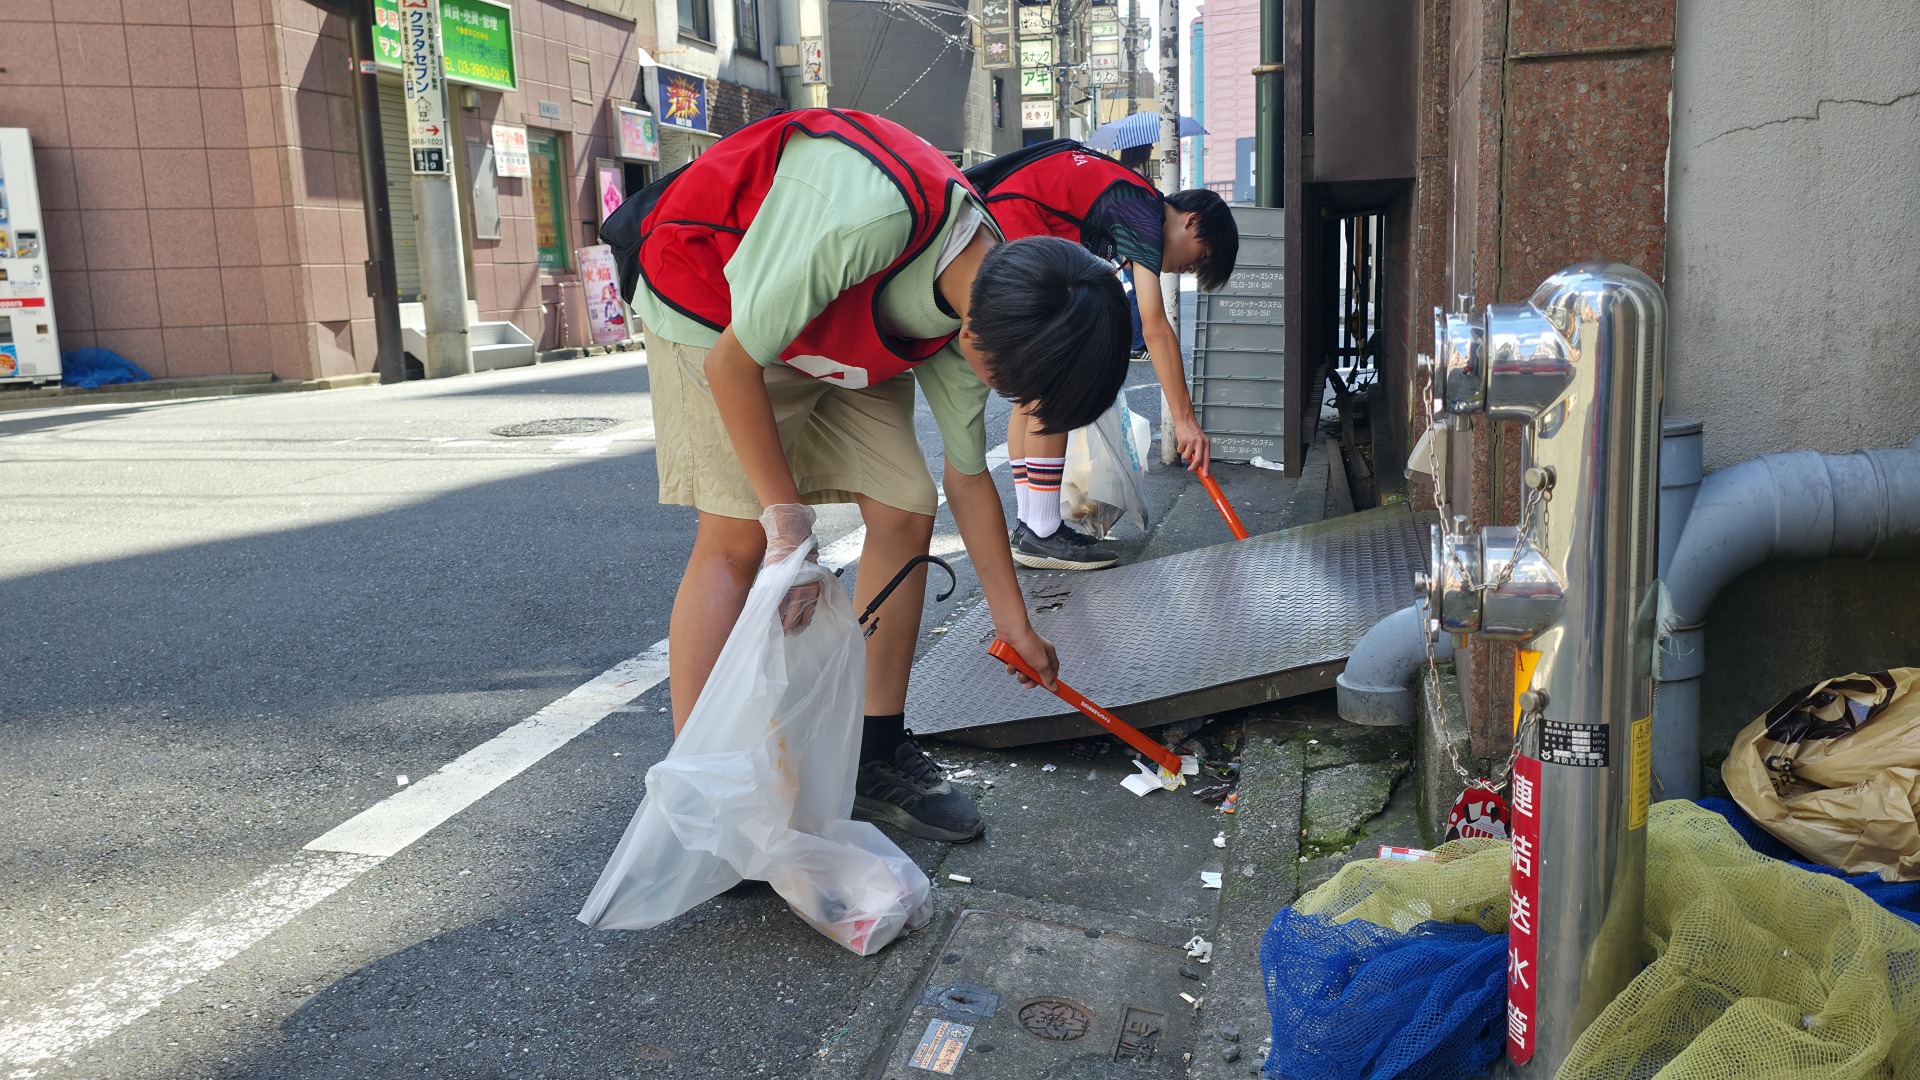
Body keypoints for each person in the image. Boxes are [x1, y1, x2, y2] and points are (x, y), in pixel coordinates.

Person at [601, 109, 1132, 843]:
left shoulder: (996, 298)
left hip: (842, 321)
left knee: (907, 505)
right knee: (736, 539)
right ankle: (706, 800)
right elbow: (735, 362)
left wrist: (1016, 620)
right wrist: (787, 524)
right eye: (1012, 387)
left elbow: (968, 479)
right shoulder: (868, 219)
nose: (1005, 397)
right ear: (979, 338)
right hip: (711, 303)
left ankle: (873, 753)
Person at [965, 140, 1239, 570]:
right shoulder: (1143, 211)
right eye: (1199, 258)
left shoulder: (1130, 199)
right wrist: (1185, 421)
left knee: (1033, 392)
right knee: (1053, 381)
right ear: (1192, 221)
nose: (1188, 269)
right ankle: (1039, 532)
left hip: (996, 225)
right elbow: (1155, 325)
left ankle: (1032, 526)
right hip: (1010, 224)